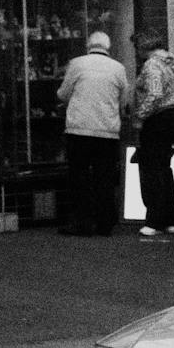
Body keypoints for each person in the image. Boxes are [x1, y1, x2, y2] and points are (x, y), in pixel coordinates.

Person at [56, 29, 129, 236]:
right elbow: (124, 99)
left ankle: (82, 223)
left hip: (79, 129)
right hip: (107, 132)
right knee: (104, 177)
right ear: (108, 47)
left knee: (79, 177)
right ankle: (105, 223)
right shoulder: (119, 68)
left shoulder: (77, 63)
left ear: (89, 46)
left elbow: (63, 93)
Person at [131, 33, 174, 238]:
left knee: (152, 170)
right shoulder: (169, 64)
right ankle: (170, 219)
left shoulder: (152, 65)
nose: (136, 53)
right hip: (171, 117)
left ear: (143, 46)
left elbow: (154, 93)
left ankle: (154, 220)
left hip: (156, 119)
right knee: (164, 168)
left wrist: (139, 116)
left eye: (136, 47)